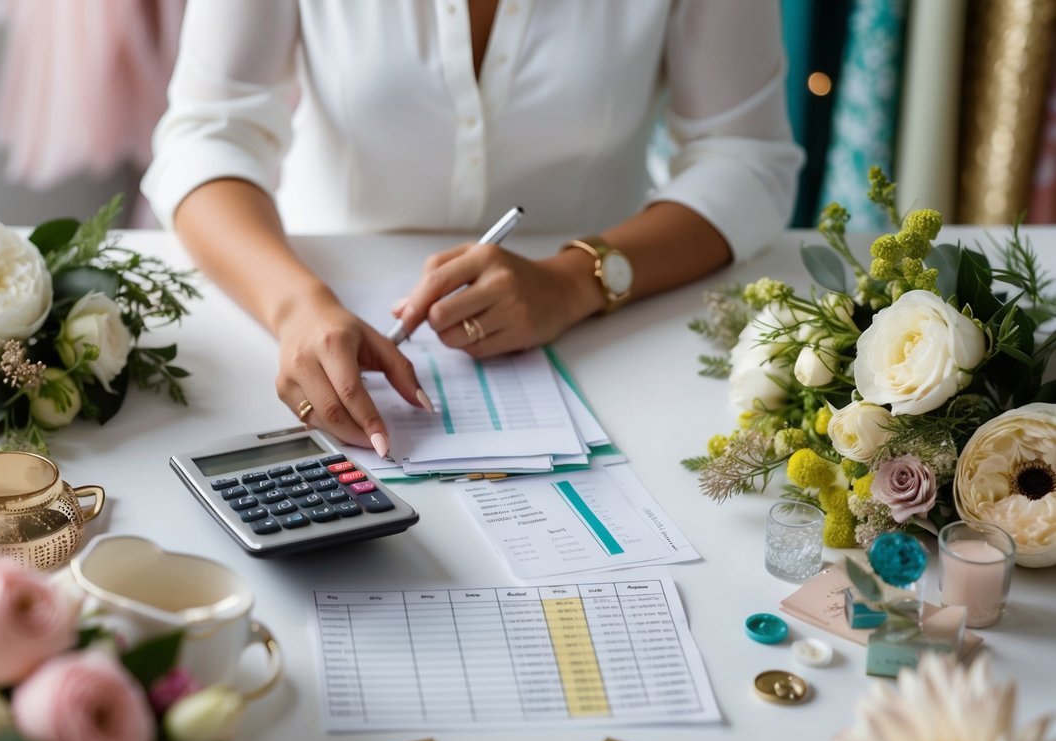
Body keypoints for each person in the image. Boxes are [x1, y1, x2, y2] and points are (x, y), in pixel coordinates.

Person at [142, 0, 803, 458]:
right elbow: (207, 134)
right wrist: (295, 307)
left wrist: (575, 280)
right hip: (309, 306)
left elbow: (746, 158)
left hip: (612, 345)